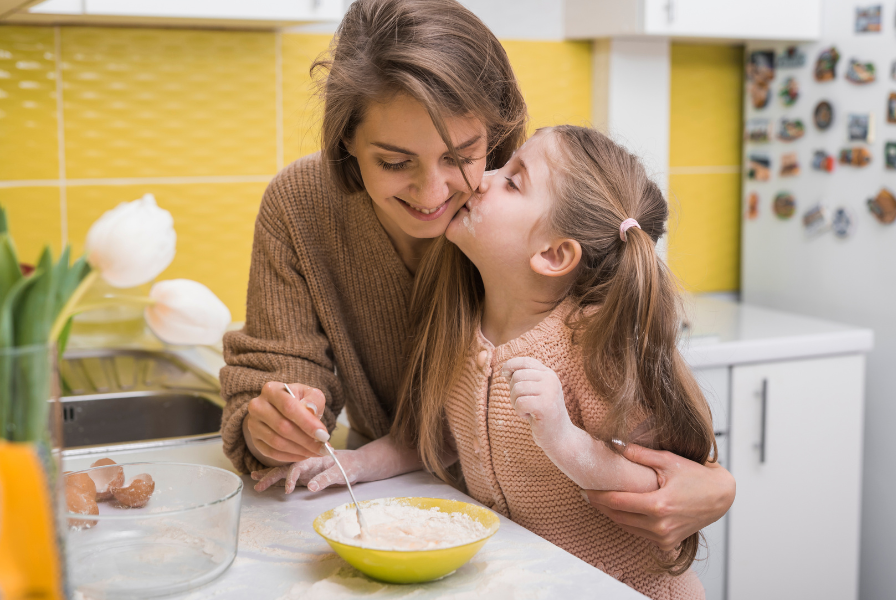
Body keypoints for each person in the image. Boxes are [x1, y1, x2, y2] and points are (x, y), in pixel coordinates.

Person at [227, 0, 735, 557]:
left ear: (493, 133)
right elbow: (283, 378)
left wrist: (712, 479)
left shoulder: (522, 207)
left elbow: (650, 405)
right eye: (395, 163)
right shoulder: (302, 207)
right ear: (345, 139)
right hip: (412, 516)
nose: (434, 194)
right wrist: (273, 426)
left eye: (464, 155)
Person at [259, 126, 714, 598]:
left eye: (513, 180)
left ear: (554, 254)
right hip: (533, 581)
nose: (481, 180)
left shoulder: (597, 345)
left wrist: (562, 436)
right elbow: (439, 443)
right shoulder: (463, 328)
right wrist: (350, 464)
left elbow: (656, 484)